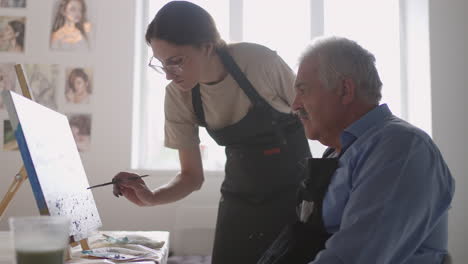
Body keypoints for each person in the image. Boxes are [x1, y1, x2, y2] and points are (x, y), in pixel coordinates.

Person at [112, 1, 311, 263]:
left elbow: (316, 118)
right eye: (161, 64)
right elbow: (191, 177)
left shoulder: (258, 62)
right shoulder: (179, 96)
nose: (169, 75)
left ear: (207, 46)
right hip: (238, 199)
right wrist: (150, 198)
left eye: (176, 62)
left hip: (295, 197)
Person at [259, 36, 455, 264]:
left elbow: (354, 257)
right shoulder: (339, 152)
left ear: (345, 89)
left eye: (303, 90)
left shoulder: (401, 148)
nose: (294, 105)